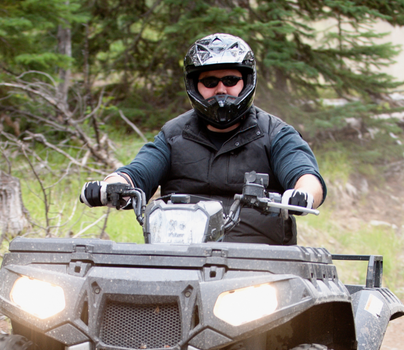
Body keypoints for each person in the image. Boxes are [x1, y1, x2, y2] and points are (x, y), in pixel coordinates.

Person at [83, 33, 326, 244]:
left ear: (246, 82)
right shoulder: (173, 135)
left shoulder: (276, 134)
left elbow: (305, 176)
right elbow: (137, 172)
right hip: (180, 259)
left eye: (231, 80)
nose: (221, 89)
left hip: (259, 266)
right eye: (210, 82)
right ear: (194, 85)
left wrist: (303, 194)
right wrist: (112, 185)